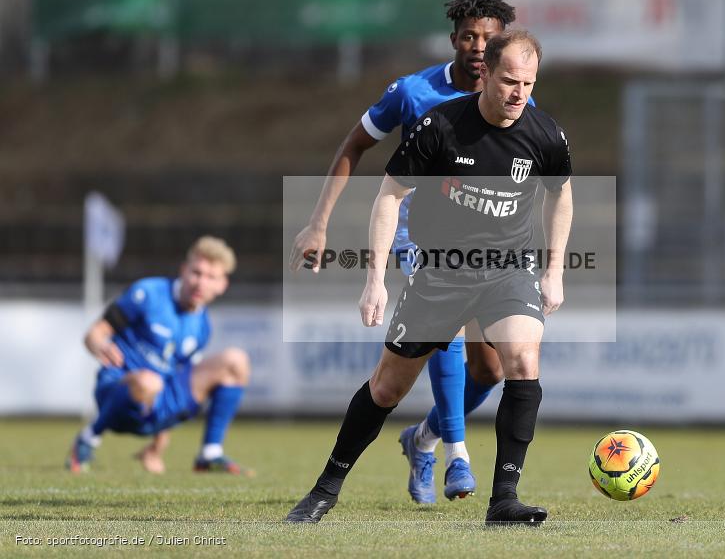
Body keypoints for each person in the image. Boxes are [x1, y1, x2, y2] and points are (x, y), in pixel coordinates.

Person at [286, 30, 573, 526]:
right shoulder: (440, 126)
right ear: (486, 74)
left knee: (522, 359)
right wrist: (375, 279)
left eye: (528, 83)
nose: (518, 93)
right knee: (386, 389)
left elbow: (561, 195)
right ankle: (324, 490)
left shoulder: (544, 133)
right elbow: (389, 197)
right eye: (509, 81)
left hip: (508, 270)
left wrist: (554, 271)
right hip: (440, 271)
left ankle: (504, 498)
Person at [65, 236, 253, 476]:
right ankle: (88, 438)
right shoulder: (148, 293)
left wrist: (157, 446)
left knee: (236, 361)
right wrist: (98, 345)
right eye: (196, 272)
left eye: (211, 277)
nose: (200, 283)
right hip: (117, 390)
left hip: (156, 402)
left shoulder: (202, 326)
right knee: (148, 381)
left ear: (222, 285)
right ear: (183, 270)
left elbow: (175, 381)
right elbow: (94, 333)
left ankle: (209, 454)